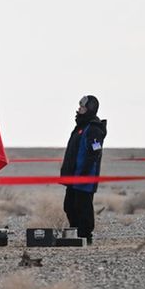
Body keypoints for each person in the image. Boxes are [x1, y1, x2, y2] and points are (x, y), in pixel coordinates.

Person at [60, 95, 108, 244]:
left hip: (84, 178)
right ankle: (75, 233)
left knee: (83, 207)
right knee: (69, 205)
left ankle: (85, 236)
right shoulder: (81, 127)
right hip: (73, 177)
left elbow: (94, 153)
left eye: (82, 107)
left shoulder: (94, 129)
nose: (79, 109)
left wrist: (84, 173)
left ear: (89, 109)